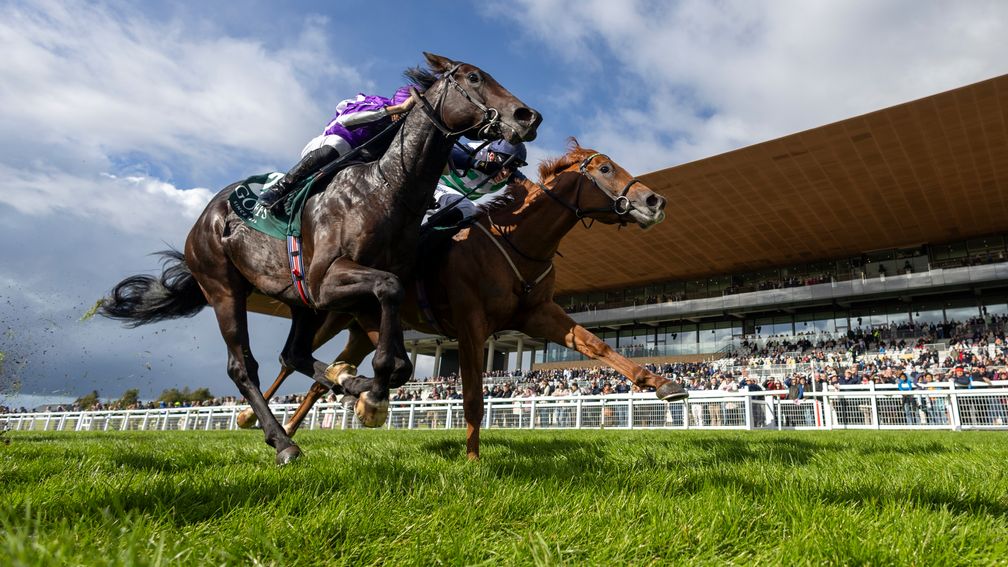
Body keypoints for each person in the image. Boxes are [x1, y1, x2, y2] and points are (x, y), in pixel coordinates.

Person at [257, 85, 418, 213]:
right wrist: (398, 109)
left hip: (354, 164)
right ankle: (279, 188)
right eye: (403, 112)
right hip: (328, 147)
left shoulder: (394, 131)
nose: (402, 118)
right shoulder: (377, 105)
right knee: (340, 144)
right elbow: (346, 121)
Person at [423, 139, 528, 227]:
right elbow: (446, 151)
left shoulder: (512, 174)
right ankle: (422, 234)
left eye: (512, 168)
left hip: (455, 198)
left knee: (482, 216)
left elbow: (531, 188)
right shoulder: (477, 151)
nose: (506, 173)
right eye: (504, 165)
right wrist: (478, 164)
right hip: (433, 186)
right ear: (491, 155)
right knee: (467, 207)